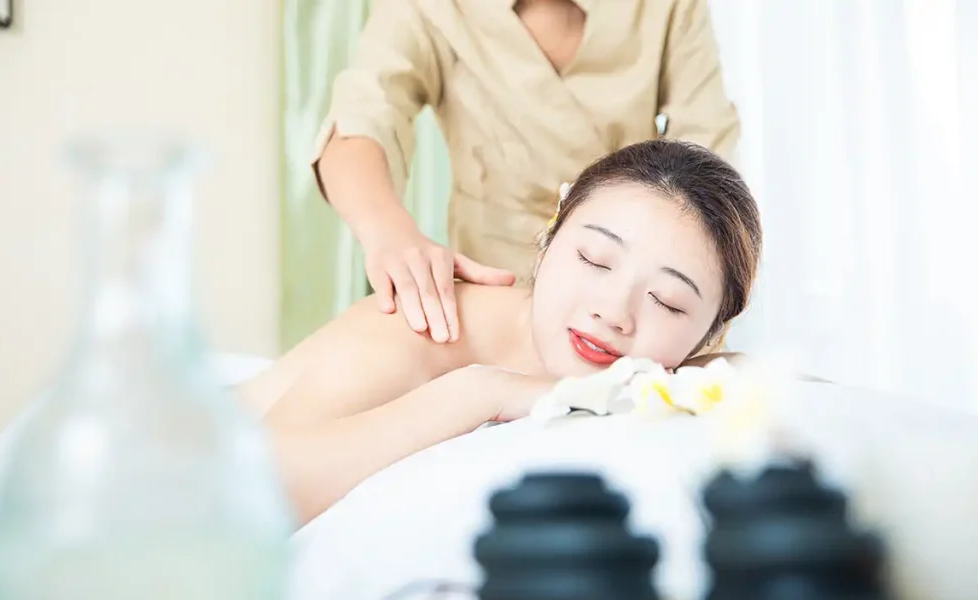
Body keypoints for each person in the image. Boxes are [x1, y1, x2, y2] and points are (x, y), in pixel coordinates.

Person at [245, 140, 760, 523]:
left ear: (710, 333)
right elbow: (251, 489)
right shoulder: (421, 325)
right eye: (594, 259)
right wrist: (481, 392)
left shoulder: (669, 375)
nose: (613, 312)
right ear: (549, 237)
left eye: (667, 302)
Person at [313, 0, 741, 345]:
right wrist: (389, 232)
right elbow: (360, 120)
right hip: (494, 303)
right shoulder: (431, 8)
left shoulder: (667, 8)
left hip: (630, 316)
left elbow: (709, 168)